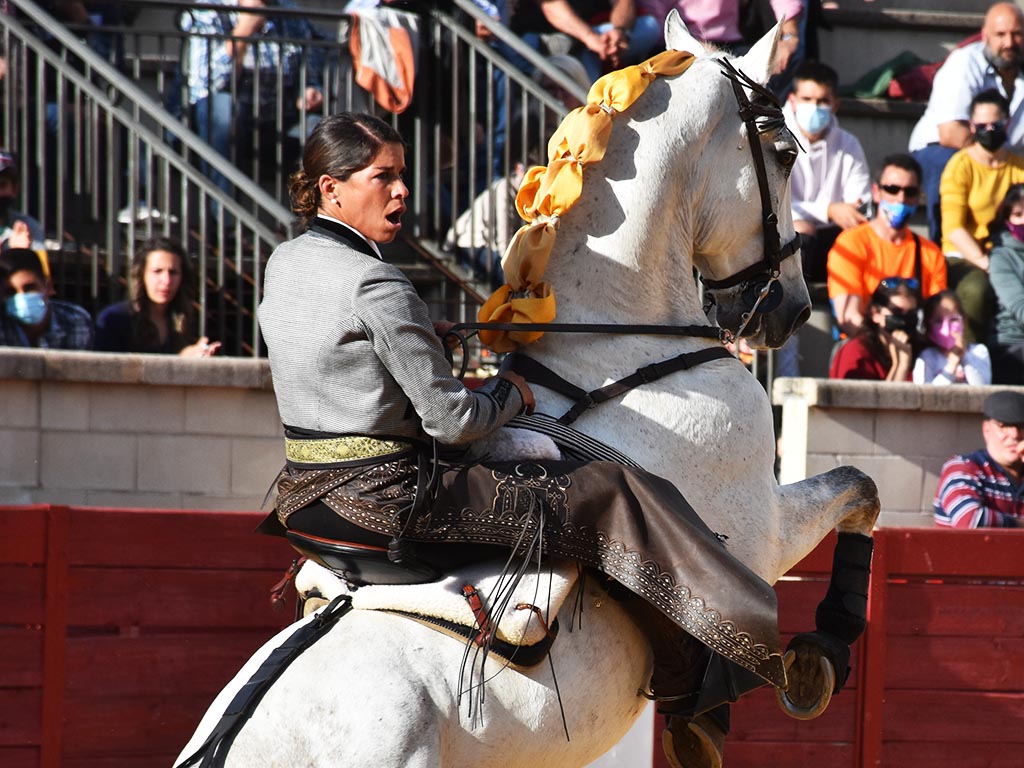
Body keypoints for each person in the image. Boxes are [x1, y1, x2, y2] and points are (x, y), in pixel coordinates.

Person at [257, 112, 780, 768]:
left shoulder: (287, 261)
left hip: (306, 506)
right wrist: (512, 396)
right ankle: (690, 689)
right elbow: (453, 421)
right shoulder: (377, 281)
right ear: (331, 190)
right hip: (386, 506)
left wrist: (421, 336)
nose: (400, 192)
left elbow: (340, 360)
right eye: (381, 178)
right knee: (610, 490)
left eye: (402, 176)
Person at [178, 0, 326, 202]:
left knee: (321, 132)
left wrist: (311, 90)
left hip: (277, 119)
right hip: (226, 122)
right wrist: (244, 30)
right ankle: (225, 222)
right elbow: (204, 83)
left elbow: (312, 68)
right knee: (223, 111)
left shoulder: (289, 13)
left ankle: (310, 220)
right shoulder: (209, 9)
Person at [908, 2, 1024, 243]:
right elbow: (952, 132)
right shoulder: (964, 63)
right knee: (952, 166)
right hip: (941, 148)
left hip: (1006, 157)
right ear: (984, 35)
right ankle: (945, 254)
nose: (1009, 43)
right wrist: (993, 163)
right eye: (1000, 34)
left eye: (1017, 34)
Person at [827, 154, 946, 338]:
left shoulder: (930, 253)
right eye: (892, 189)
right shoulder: (851, 243)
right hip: (864, 343)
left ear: (918, 196)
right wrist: (887, 346)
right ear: (876, 192)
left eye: (910, 192)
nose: (901, 198)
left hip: (913, 345)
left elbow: (938, 318)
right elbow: (848, 317)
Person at [939, 89, 1024, 344]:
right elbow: (953, 228)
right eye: (981, 125)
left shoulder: (1018, 166)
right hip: (965, 256)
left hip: (1010, 252)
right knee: (977, 290)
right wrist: (986, 263)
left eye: (995, 124)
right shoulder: (960, 166)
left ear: (1007, 123)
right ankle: (973, 357)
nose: (989, 130)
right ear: (971, 126)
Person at [784, 60, 871, 284]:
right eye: (807, 99)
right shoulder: (774, 140)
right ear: (792, 100)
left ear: (835, 105)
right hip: (784, 237)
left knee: (860, 235)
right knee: (800, 230)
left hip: (834, 239)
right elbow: (774, 206)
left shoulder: (849, 144)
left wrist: (843, 213)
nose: (814, 107)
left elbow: (861, 205)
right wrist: (830, 210)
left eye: (822, 101)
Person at [94, 236, 220, 356]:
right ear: (141, 275)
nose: (166, 281)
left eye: (173, 272)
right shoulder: (114, 319)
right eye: (157, 271)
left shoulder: (185, 318)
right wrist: (181, 361)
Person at [509, 0, 662, 84]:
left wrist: (619, 32)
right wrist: (589, 37)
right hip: (542, 37)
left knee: (649, 27)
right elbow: (552, 6)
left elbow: (623, 2)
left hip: (595, 35)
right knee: (581, 50)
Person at [934, 390, 1024, 527]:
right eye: (1003, 426)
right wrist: (1019, 524)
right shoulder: (962, 467)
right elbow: (970, 520)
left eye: (1021, 426)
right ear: (986, 429)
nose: (1015, 434)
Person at [0, 247, 93, 349]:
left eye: (29, 288)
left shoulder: (74, 320)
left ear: (48, 287)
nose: (22, 297)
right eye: (11, 292)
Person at [829, 278, 920, 381]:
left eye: (911, 313)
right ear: (875, 313)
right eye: (896, 311)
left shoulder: (921, 349)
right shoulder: (856, 351)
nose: (905, 319)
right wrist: (900, 366)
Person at [913, 290, 991, 385]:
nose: (946, 329)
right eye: (938, 321)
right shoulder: (927, 357)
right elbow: (926, 394)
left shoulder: (979, 351)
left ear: (964, 322)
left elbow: (982, 386)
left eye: (954, 319)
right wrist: (951, 365)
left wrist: (964, 356)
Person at [988, 183, 1024, 382]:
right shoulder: (1001, 256)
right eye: (1018, 214)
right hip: (1012, 343)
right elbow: (1019, 306)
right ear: (1007, 218)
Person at [0, 149, 46, 252]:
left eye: (2, 185)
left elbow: (41, 267)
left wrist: (23, 254)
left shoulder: (30, 228)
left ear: (15, 189)